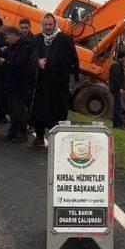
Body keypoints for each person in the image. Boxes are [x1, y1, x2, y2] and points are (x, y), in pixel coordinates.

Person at [29, 13, 80, 148]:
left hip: (58, 84)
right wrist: (37, 61)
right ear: (42, 25)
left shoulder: (65, 39)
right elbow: (28, 57)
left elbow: (74, 58)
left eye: (50, 24)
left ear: (55, 25)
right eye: (45, 25)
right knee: (38, 112)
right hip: (40, 84)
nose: (48, 27)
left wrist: (74, 75)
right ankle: (39, 138)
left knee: (58, 113)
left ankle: (58, 141)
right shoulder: (36, 39)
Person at [1, 26, 30, 143]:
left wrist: (5, 62)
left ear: (14, 35)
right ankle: (13, 131)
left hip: (19, 83)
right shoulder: (12, 46)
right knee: (12, 109)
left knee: (19, 110)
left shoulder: (23, 46)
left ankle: (22, 134)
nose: (7, 38)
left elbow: (19, 64)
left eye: (8, 36)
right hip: (12, 84)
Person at [108, 50, 125, 128]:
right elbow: (116, 78)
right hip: (116, 89)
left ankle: (117, 125)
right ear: (121, 57)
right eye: (124, 58)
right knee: (117, 107)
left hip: (116, 89)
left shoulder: (118, 64)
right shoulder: (116, 65)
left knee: (118, 107)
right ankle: (118, 125)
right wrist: (120, 88)